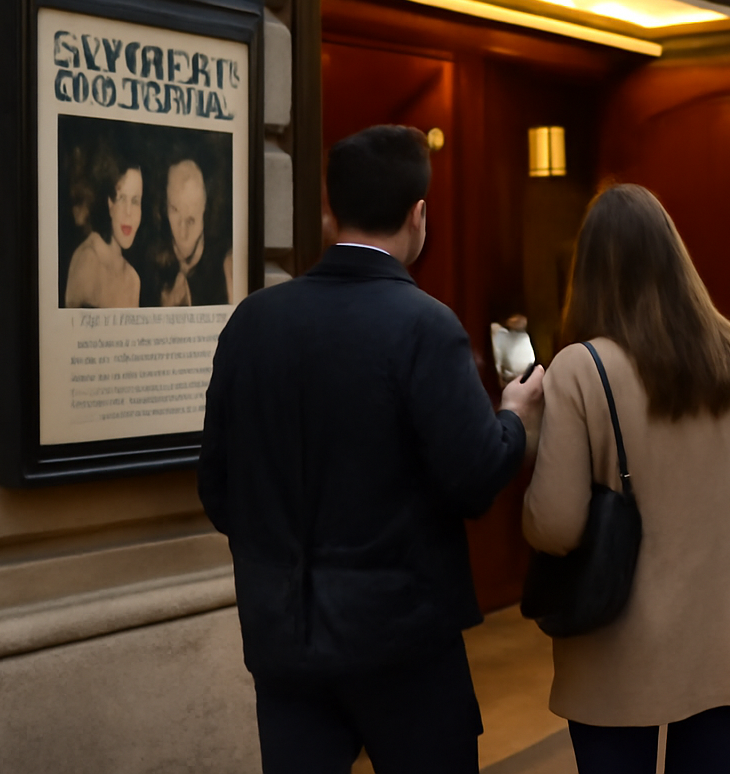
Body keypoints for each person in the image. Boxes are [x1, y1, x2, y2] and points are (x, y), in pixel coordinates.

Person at [198, 125, 546, 774]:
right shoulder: (425, 324)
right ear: (419, 215)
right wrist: (515, 417)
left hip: (283, 637)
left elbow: (217, 486)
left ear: (332, 212)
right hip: (402, 641)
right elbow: (474, 476)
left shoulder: (252, 322)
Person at [522, 183, 730, 774]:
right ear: (676, 260)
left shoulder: (579, 369)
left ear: (588, 272)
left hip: (617, 652)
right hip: (728, 641)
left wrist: (526, 438)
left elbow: (556, 526)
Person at [144, 157, 233, 307]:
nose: (183, 233)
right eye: (175, 210)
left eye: (191, 220)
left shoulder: (226, 267)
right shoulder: (151, 265)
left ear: (204, 209)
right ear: (166, 206)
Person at [62, 145, 143, 308]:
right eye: (121, 198)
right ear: (109, 203)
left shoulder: (133, 279)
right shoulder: (88, 260)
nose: (129, 212)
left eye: (135, 201)